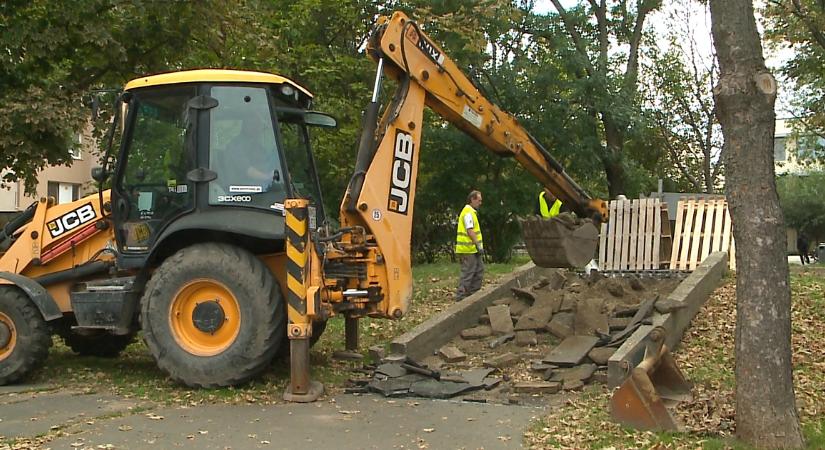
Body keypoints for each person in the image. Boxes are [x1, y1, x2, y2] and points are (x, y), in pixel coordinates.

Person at [454, 190, 484, 301]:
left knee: (479, 271)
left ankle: (473, 296)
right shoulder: (468, 213)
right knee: (468, 273)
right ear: (472, 199)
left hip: (472, 250)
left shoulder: (471, 212)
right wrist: (478, 245)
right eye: (479, 200)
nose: (480, 203)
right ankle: (461, 298)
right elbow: (470, 230)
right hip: (468, 250)